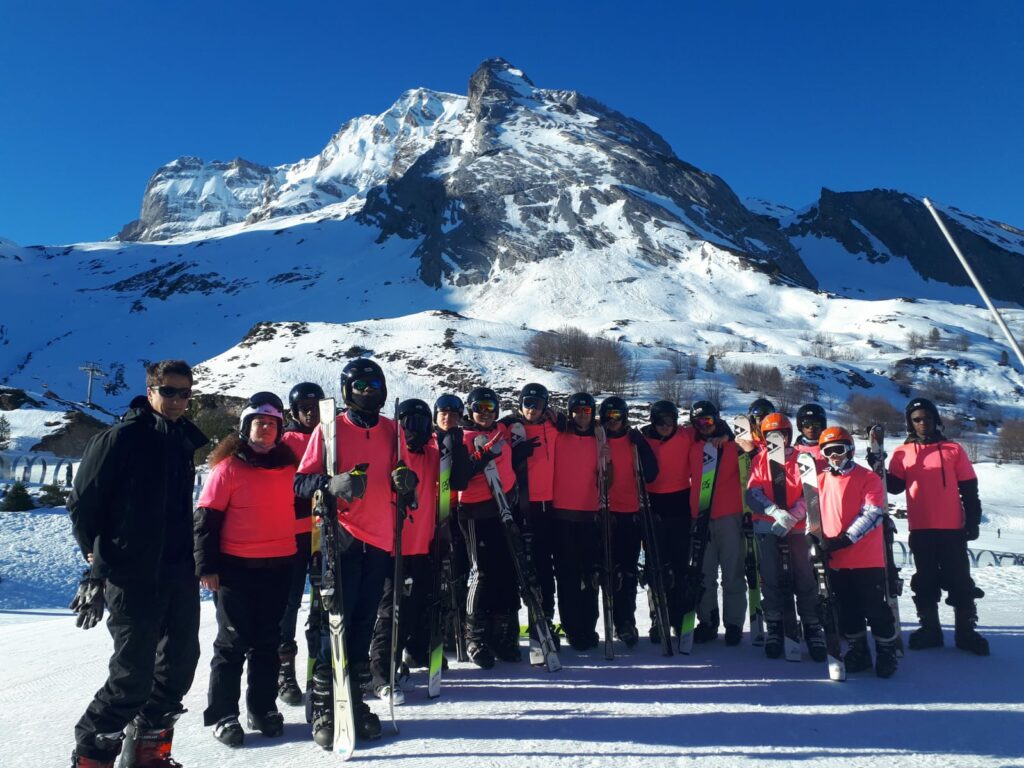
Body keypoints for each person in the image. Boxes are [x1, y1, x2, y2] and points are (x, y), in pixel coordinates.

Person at [67, 360, 208, 768]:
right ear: (150, 391)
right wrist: (95, 560)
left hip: (178, 573)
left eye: (185, 393)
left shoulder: (181, 439)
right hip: (132, 575)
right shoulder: (120, 439)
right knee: (132, 678)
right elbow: (83, 503)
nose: (178, 400)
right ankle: (92, 758)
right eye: (169, 391)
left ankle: (148, 755)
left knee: (178, 668)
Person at [294, 358, 415, 747]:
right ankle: (326, 704)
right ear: (347, 390)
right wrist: (332, 483)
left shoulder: (392, 431)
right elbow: (301, 481)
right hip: (341, 536)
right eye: (360, 386)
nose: (368, 392)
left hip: (380, 538)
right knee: (337, 623)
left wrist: (404, 481)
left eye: (374, 385)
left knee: (364, 622)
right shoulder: (330, 429)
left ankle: (355, 701)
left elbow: (404, 480)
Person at [194, 392, 298, 746]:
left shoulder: (289, 466)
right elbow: (206, 520)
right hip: (236, 567)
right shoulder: (229, 468)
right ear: (245, 427)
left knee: (269, 641)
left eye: (272, 424)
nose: (266, 429)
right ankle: (224, 714)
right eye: (259, 422)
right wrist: (206, 566)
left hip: (279, 563)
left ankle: (263, 708)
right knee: (233, 642)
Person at [886, 397, 989, 656]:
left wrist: (973, 521)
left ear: (936, 419)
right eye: (917, 419)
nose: (923, 423)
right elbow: (894, 487)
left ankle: (966, 632)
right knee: (925, 579)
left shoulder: (954, 450)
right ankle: (930, 630)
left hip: (952, 528)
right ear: (910, 423)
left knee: (960, 580)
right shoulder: (902, 452)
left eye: (927, 418)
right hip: (921, 528)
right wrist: (879, 466)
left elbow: (969, 489)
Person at [368, 399, 440, 704]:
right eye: (409, 423)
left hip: (421, 546)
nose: (415, 430)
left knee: (411, 610)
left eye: (422, 423)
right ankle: (380, 675)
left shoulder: (434, 455)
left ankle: (399, 664)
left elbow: (457, 476)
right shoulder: (391, 454)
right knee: (390, 613)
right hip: (392, 548)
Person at [812, 426, 899, 677]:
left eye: (838, 449)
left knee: (874, 607)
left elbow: (873, 513)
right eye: (828, 451)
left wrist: (845, 539)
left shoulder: (867, 478)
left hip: (866, 558)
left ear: (850, 449)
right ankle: (858, 649)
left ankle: (886, 651)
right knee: (848, 608)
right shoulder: (820, 480)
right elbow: (812, 511)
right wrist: (814, 536)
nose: (834, 456)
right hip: (836, 558)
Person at [457, 386, 529, 668]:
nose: (484, 414)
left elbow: (522, 421)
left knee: (508, 571)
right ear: (469, 410)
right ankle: (475, 636)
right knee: (481, 573)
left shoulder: (504, 429)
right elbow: (459, 477)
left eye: (489, 408)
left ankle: (504, 634)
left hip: (506, 510)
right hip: (476, 513)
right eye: (479, 408)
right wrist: (483, 455)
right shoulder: (463, 437)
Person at [744, 412, 825, 661]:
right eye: (771, 435)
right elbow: (753, 492)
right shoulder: (760, 459)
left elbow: (810, 493)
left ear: (789, 435)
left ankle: (812, 626)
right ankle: (775, 626)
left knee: (804, 577)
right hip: (768, 526)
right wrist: (773, 511)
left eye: (781, 434)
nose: (777, 439)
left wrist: (793, 515)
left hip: (798, 527)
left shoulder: (804, 459)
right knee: (770, 577)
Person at [499, 383, 563, 662]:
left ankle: (544, 620)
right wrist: (514, 454)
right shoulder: (509, 429)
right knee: (518, 568)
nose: (531, 408)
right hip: (521, 505)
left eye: (537, 403)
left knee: (545, 568)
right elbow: (479, 432)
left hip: (550, 509)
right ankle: (508, 628)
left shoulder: (557, 427)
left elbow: (589, 426)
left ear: (545, 405)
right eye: (527, 402)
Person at [277, 381, 325, 706]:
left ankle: (322, 664)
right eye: (303, 407)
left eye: (314, 406)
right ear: (293, 412)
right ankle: (285, 670)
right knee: (290, 602)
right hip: (294, 533)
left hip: (326, 531)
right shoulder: (286, 442)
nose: (310, 412)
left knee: (325, 601)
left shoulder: (331, 437)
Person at [600, 396, 657, 648]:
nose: (613, 422)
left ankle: (626, 622)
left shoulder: (634, 441)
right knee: (611, 573)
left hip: (631, 514)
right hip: (604, 513)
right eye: (608, 417)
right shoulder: (596, 439)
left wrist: (642, 447)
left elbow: (652, 473)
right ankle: (612, 620)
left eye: (618, 417)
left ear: (625, 417)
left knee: (630, 572)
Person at [688, 401, 746, 646]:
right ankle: (708, 622)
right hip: (700, 518)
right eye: (700, 423)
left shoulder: (733, 447)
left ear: (717, 420)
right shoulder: (691, 445)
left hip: (729, 517)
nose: (705, 427)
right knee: (704, 574)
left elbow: (757, 452)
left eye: (709, 421)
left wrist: (728, 436)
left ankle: (733, 624)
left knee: (732, 574)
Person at [639, 400, 695, 644]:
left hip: (681, 507)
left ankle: (679, 617)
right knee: (657, 568)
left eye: (669, 421)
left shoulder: (686, 436)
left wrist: (723, 431)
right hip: (653, 508)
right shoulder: (642, 439)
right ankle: (657, 617)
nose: (664, 426)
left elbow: (712, 427)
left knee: (681, 567)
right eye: (659, 421)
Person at [551, 392, 602, 650]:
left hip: (590, 515)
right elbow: (533, 418)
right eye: (577, 410)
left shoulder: (599, 437)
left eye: (587, 411)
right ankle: (572, 628)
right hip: (562, 516)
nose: (582, 415)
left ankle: (588, 627)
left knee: (591, 576)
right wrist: (555, 417)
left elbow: (608, 474)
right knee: (568, 577)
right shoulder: (559, 433)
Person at [794, 403, 827, 468]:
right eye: (806, 424)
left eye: (816, 424)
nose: (811, 427)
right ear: (800, 426)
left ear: (822, 426)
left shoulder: (829, 451)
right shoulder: (793, 453)